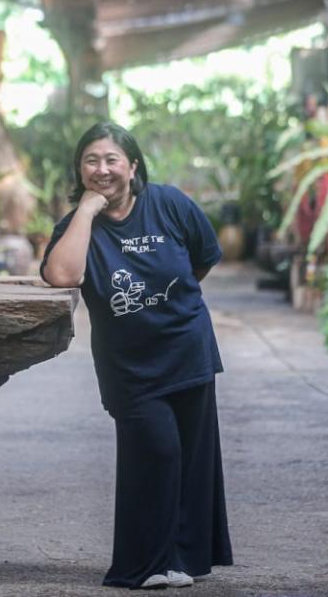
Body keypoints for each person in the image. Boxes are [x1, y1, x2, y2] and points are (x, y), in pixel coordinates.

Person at [40, 121, 233, 589]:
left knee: (191, 457)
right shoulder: (75, 227)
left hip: (186, 350)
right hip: (128, 366)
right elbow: (62, 275)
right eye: (91, 160)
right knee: (157, 452)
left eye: (111, 159)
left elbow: (202, 259)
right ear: (80, 170)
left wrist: (168, 306)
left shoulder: (169, 204)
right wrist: (87, 211)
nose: (102, 169)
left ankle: (182, 558)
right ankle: (141, 565)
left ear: (132, 165)